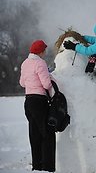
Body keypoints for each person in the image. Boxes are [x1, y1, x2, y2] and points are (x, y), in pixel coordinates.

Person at [19, 40, 56, 172]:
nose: (45, 52)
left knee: (34, 134)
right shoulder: (40, 63)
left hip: (28, 101)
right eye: (44, 50)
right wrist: (51, 76)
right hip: (39, 101)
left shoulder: (25, 63)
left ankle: (37, 166)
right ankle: (47, 167)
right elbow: (46, 84)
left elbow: (22, 83)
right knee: (46, 133)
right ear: (40, 51)